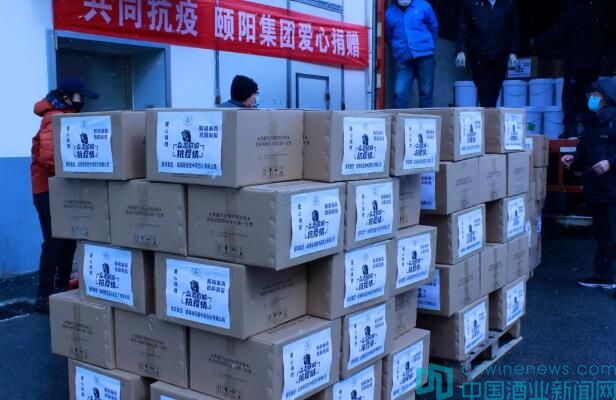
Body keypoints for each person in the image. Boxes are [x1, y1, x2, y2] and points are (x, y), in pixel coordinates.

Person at [31, 77, 99, 313]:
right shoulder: (54, 117)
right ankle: (43, 296)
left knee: (69, 238)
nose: (83, 101)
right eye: (80, 96)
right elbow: (49, 158)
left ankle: (61, 288)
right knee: (54, 242)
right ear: (67, 96)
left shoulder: (66, 115)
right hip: (47, 190)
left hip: (61, 189)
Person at [561, 79, 616, 290]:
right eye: (590, 94)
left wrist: (610, 163)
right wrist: (573, 159)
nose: (591, 98)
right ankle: (602, 275)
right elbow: (585, 150)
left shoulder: (613, 121)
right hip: (597, 188)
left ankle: (609, 276)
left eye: (595, 95)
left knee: (611, 233)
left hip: (611, 188)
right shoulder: (592, 122)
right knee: (603, 233)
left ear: (606, 97)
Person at [532, 0, 607, 138]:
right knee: (590, 98)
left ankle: (571, 131)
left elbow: (561, 28)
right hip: (592, 63)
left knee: (570, 99)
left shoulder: (575, 5)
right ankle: (589, 131)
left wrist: (538, 40)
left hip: (576, 63)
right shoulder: (598, 7)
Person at [455, 0, 520, 107]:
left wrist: (513, 52)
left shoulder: (508, 4)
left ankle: (489, 113)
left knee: (495, 92)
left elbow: (514, 30)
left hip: (500, 56)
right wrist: (460, 50)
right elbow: (463, 28)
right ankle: (488, 113)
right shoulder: (471, 3)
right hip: (478, 57)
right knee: (483, 92)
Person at [385, 0, 439, 109]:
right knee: (399, 92)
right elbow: (389, 36)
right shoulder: (389, 13)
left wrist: (427, 46)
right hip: (403, 59)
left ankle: (426, 119)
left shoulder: (424, 6)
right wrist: (398, 50)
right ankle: (400, 119)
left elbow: (434, 28)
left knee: (426, 92)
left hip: (425, 56)